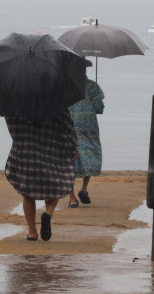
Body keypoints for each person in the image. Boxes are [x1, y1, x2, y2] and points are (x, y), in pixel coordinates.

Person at [4, 109, 78, 241]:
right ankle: (47, 214)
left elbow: (11, 125)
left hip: (25, 150)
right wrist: (74, 147)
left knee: (27, 193)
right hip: (52, 149)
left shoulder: (16, 104)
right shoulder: (56, 103)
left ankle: (32, 232)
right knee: (55, 187)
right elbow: (68, 126)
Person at [67, 59, 105, 208]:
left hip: (70, 124)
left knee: (69, 159)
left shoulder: (65, 87)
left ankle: (72, 199)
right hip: (89, 126)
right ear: (85, 71)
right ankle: (84, 188)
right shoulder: (93, 86)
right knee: (90, 152)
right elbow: (99, 108)